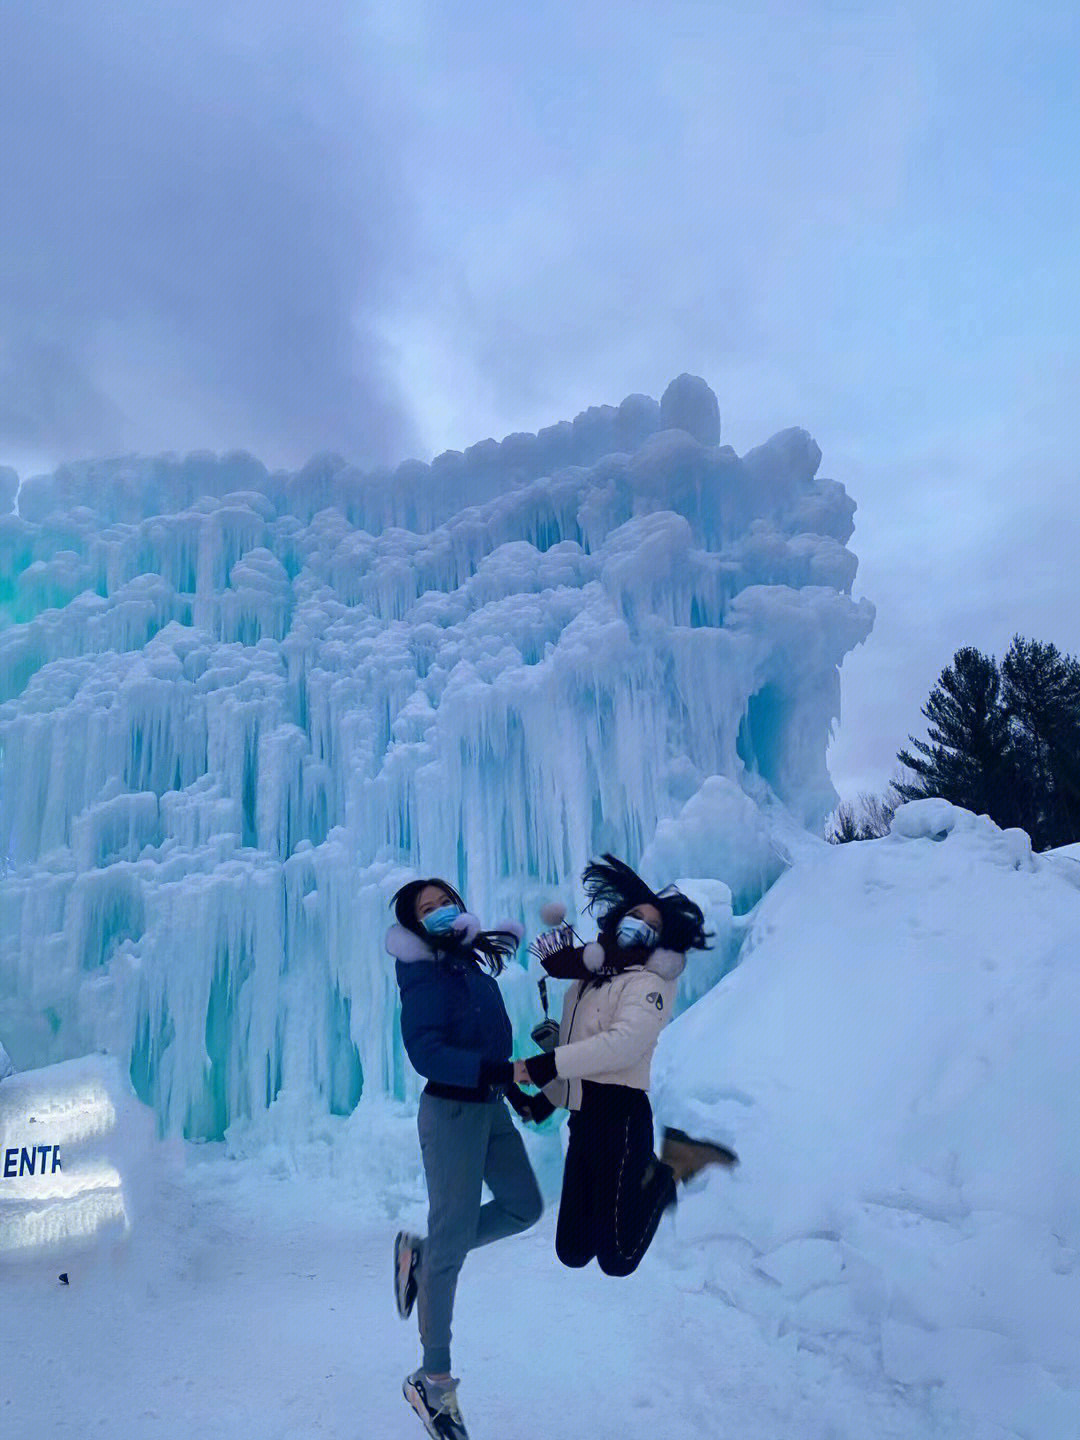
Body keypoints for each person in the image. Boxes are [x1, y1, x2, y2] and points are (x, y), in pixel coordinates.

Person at [515, 854, 737, 1278]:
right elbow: (577, 1049)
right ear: (617, 918)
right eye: (635, 916)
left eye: (652, 926)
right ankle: (639, 1188)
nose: (640, 926)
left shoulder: (650, 983)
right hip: (584, 1121)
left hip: (621, 1118)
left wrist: (546, 1064)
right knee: (573, 1251)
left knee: (617, 1260)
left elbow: (621, 1046)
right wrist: (544, 1101)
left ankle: (671, 1166)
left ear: (661, 939)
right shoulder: (589, 978)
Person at [388, 877, 544, 1440]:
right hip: (451, 1115)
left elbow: (490, 1040)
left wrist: (516, 1089)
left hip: (489, 1106)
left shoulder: (468, 966)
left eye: (443, 903)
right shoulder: (423, 974)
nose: (438, 912)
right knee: (451, 1255)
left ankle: (423, 1252)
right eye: (424, 909)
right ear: (412, 924)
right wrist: (498, 1075)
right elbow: (426, 1051)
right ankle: (431, 1382)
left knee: (524, 1206)